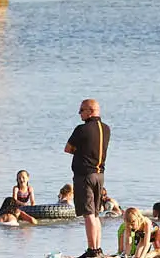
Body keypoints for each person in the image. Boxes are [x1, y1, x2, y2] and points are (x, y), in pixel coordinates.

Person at [64, 97, 112, 258]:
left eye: (81, 110)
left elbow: (68, 148)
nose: (79, 114)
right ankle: (98, 249)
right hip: (100, 175)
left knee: (88, 214)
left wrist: (80, 151)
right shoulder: (106, 128)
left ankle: (92, 251)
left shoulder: (81, 129)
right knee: (96, 214)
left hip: (84, 175)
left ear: (91, 111)